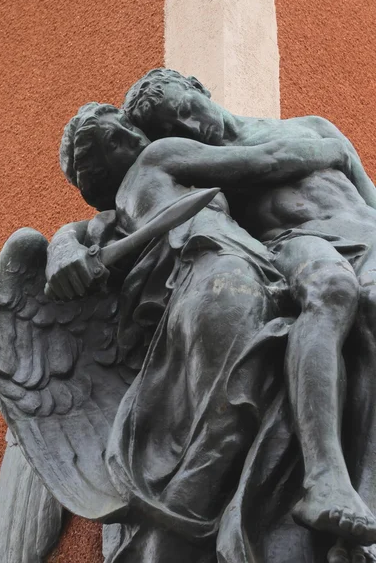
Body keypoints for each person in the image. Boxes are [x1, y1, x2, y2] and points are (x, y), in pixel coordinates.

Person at [45, 102, 352, 562]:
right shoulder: (160, 156)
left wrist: (62, 248)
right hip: (225, 277)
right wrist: (333, 147)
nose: (135, 133)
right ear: (117, 144)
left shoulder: (105, 224)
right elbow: (263, 163)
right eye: (122, 131)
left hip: (188, 304)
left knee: (218, 429)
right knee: (229, 417)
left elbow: (74, 241)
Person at [123, 68, 376, 562]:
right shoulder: (204, 162)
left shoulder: (316, 124)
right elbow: (267, 163)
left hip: (369, 238)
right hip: (298, 245)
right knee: (331, 288)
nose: (189, 125)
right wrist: (329, 154)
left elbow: (371, 198)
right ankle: (324, 479)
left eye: (184, 108)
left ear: (199, 88)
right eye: (174, 125)